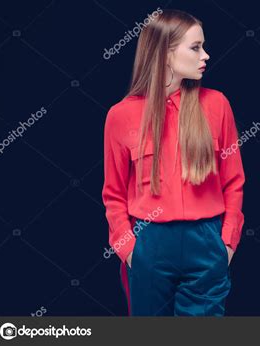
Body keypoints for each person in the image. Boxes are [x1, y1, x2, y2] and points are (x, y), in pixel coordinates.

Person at [102, 9, 245, 316]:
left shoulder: (217, 105)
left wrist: (227, 244)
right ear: (164, 53)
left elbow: (233, 182)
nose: (205, 55)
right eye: (195, 47)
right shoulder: (120, 116)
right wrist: (129, 250)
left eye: (203, 46)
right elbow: (113, 194)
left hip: (206, 242)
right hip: (149, 244)